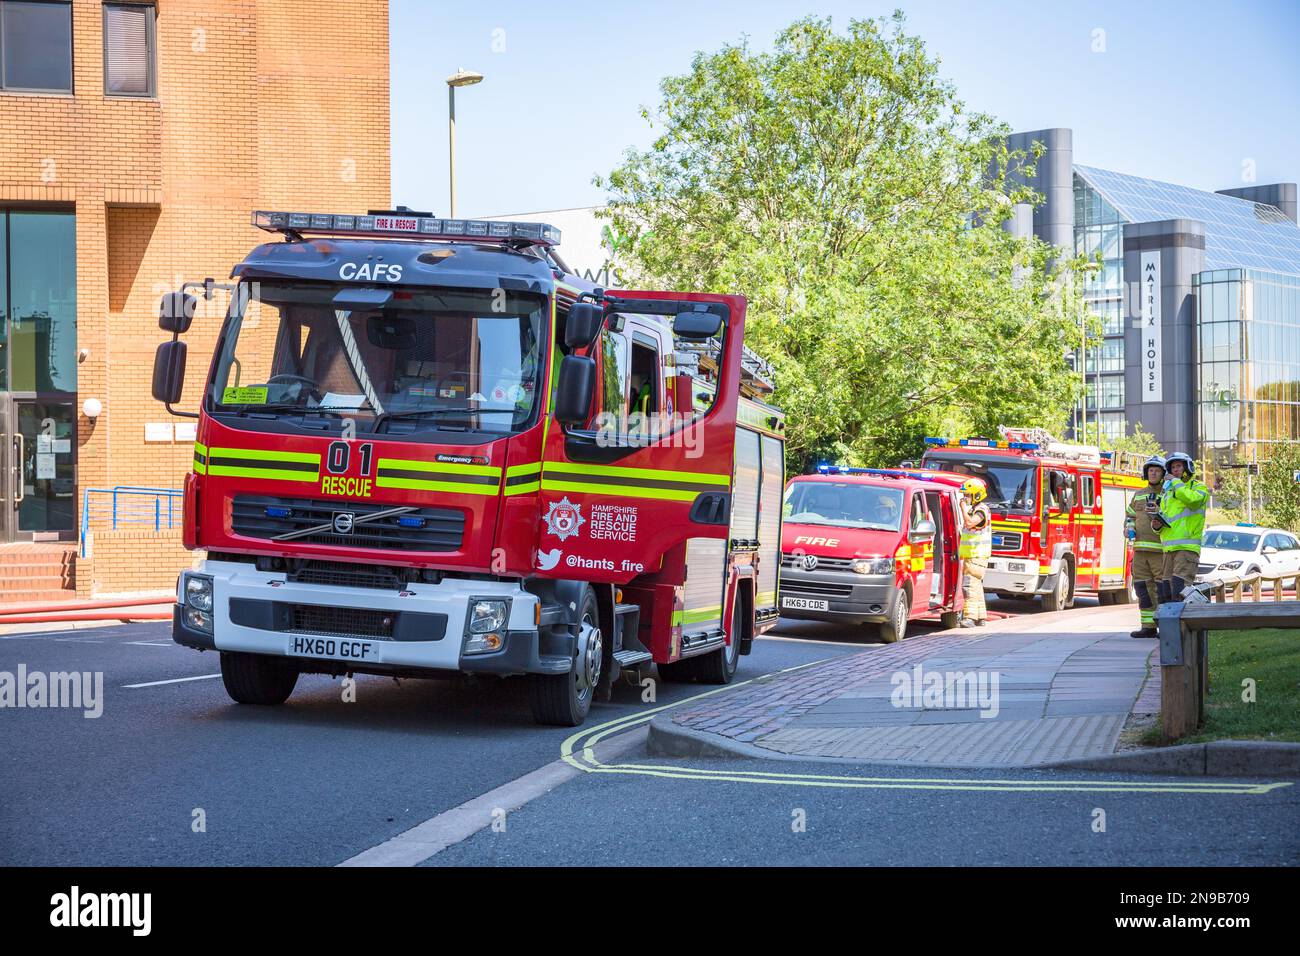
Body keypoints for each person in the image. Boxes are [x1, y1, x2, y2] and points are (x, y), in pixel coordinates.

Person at [1153, 452, 1209, 603]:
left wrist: (1176, 482)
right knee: (1166, 593)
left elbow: (1192, 501)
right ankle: (1170, 627)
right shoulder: (1168, 492)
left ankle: (1188, 625)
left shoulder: (1199, 487)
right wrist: (1157, 525)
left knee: (1180, 591)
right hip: (1169, 550)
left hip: (1187, 548)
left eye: (1178, 466)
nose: (1175, 470)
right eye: (1172, 467)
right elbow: (1165, 516)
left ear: (1187, 467)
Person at [1125, 455, 1166, 638]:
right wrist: (1128, 528)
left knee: (1162, 589)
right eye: (1150, 470)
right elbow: (1130, 516)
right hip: (1140, 550)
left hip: (1160, 550)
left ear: (1163, 473)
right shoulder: (1138, 494)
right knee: (1142, 588)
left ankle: (1164, 625)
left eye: (1157, 470)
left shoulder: (1168, 494)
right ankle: (1147, 626)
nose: (1153, 473)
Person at [957, 477, 993, 627]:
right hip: (974, 554)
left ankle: (970, 618)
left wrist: (963, 508)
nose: (965, 498)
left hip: (976, 555)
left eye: (968, 495)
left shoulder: (981, 510)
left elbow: (970, 523)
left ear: (976, 495)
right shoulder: (977, 509)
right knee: (976, 585)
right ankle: (980, 617)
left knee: (969, 585)